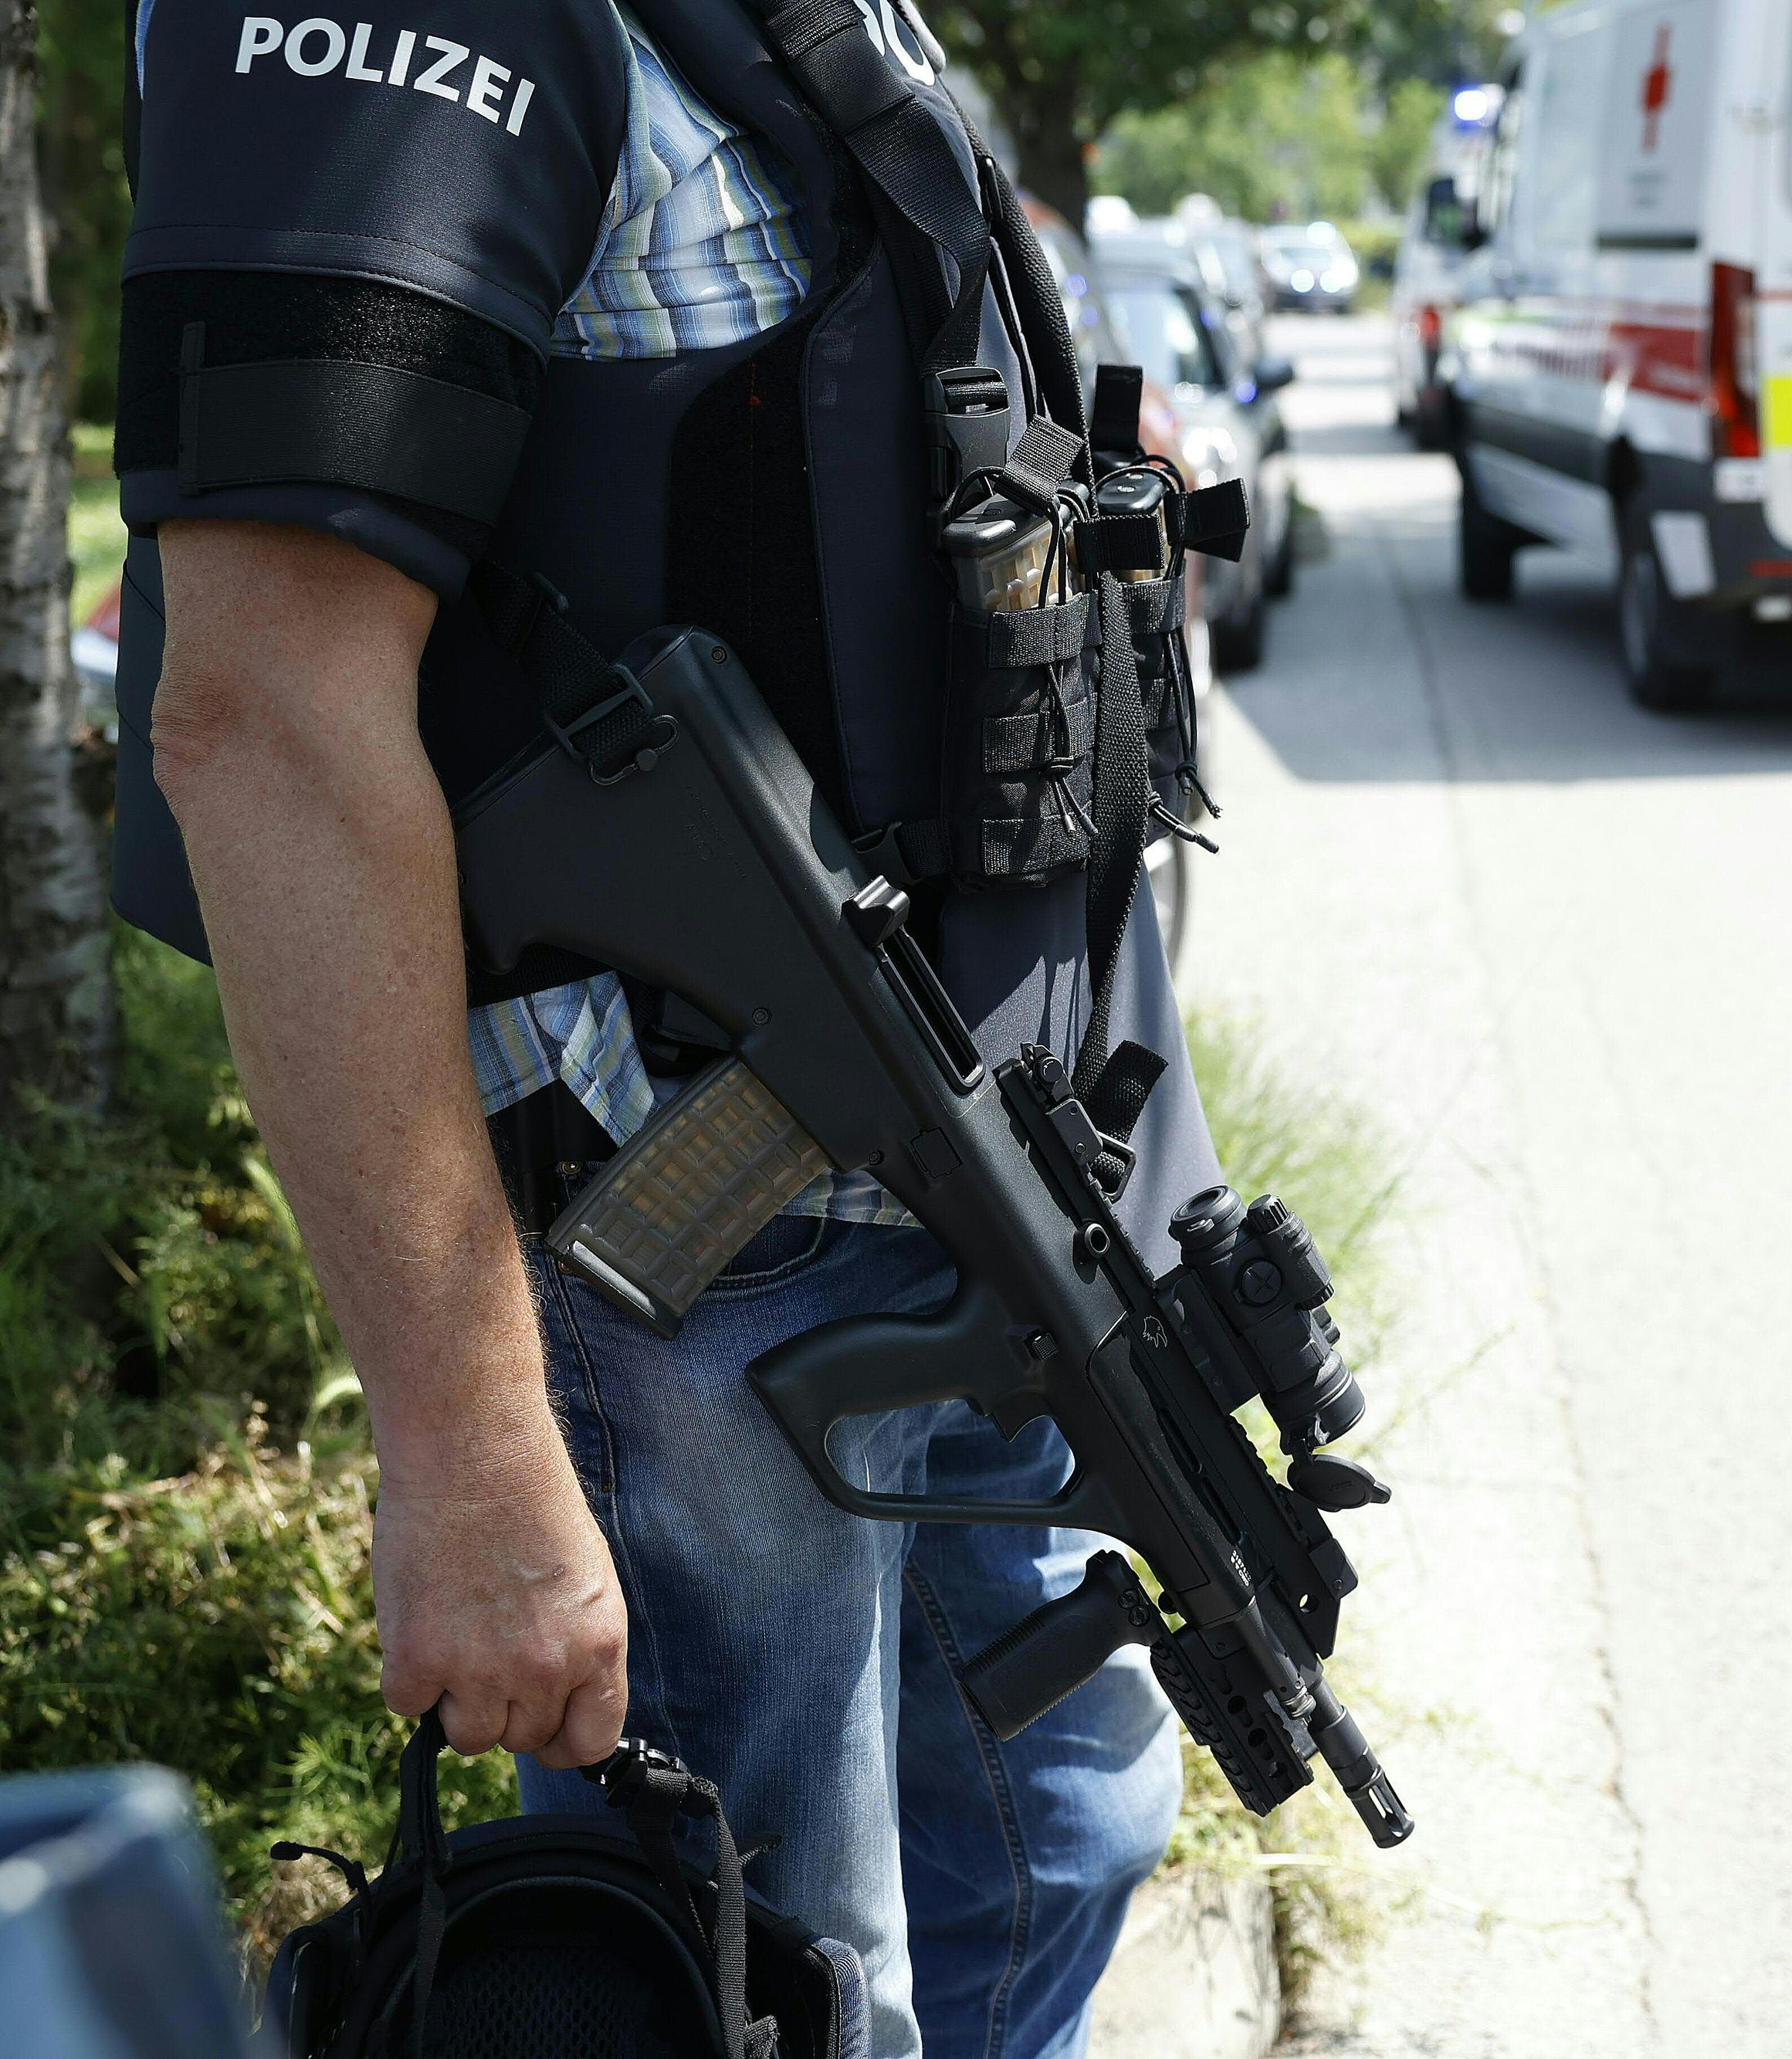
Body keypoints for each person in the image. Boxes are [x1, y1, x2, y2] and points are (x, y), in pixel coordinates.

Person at [106, 5, 1215, 2053]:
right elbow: (260, 714)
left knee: (1054, 1828)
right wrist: (466, 1454)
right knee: (785, 1990)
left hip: (972, 1143)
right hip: (682, 1242)